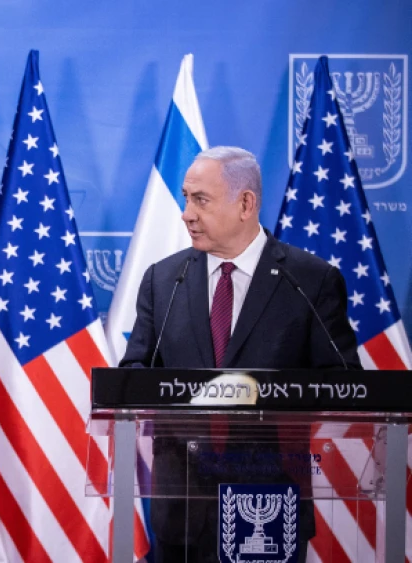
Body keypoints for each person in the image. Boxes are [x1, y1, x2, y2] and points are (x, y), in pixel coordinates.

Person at [120, 146, 360, 562]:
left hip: (268, 511)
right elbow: (133, 377)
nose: (186, 213)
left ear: (245, 203)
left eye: (201, 200)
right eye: (185, 198)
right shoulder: (164, 280)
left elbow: (345, 383)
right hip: (182, 510)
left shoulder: (310, 281)